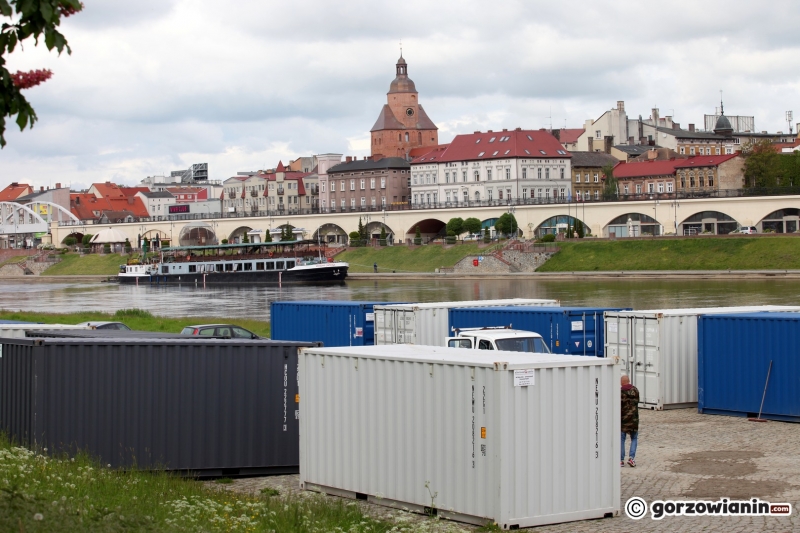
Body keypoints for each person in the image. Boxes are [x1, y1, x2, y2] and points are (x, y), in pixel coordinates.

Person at [621, 374, 639, 467]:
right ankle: (631, 458)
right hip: (634, 420)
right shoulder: (635, 390)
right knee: (634, 438)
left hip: (623, 421)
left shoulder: (620, 392)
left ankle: (621, 460)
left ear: (621, 382)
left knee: (621, 439)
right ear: (629, 381)